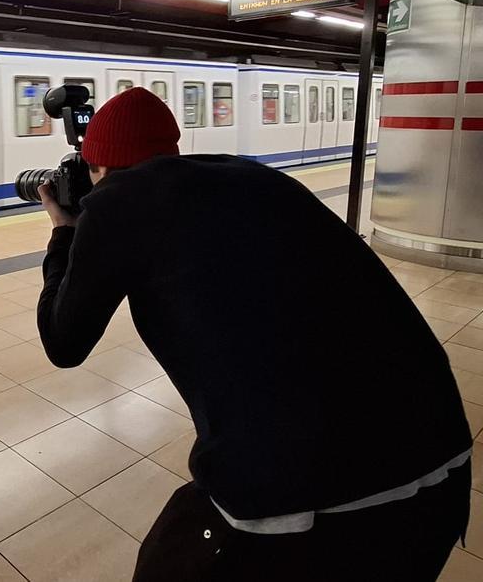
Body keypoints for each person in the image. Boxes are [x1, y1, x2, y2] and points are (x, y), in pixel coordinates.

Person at [36, 87, 471, 582]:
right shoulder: (255, 176)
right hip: (442, 463)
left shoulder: (117, 201)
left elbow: (63, 342)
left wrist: (64, 231)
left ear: (100, 168)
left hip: (314, 491)